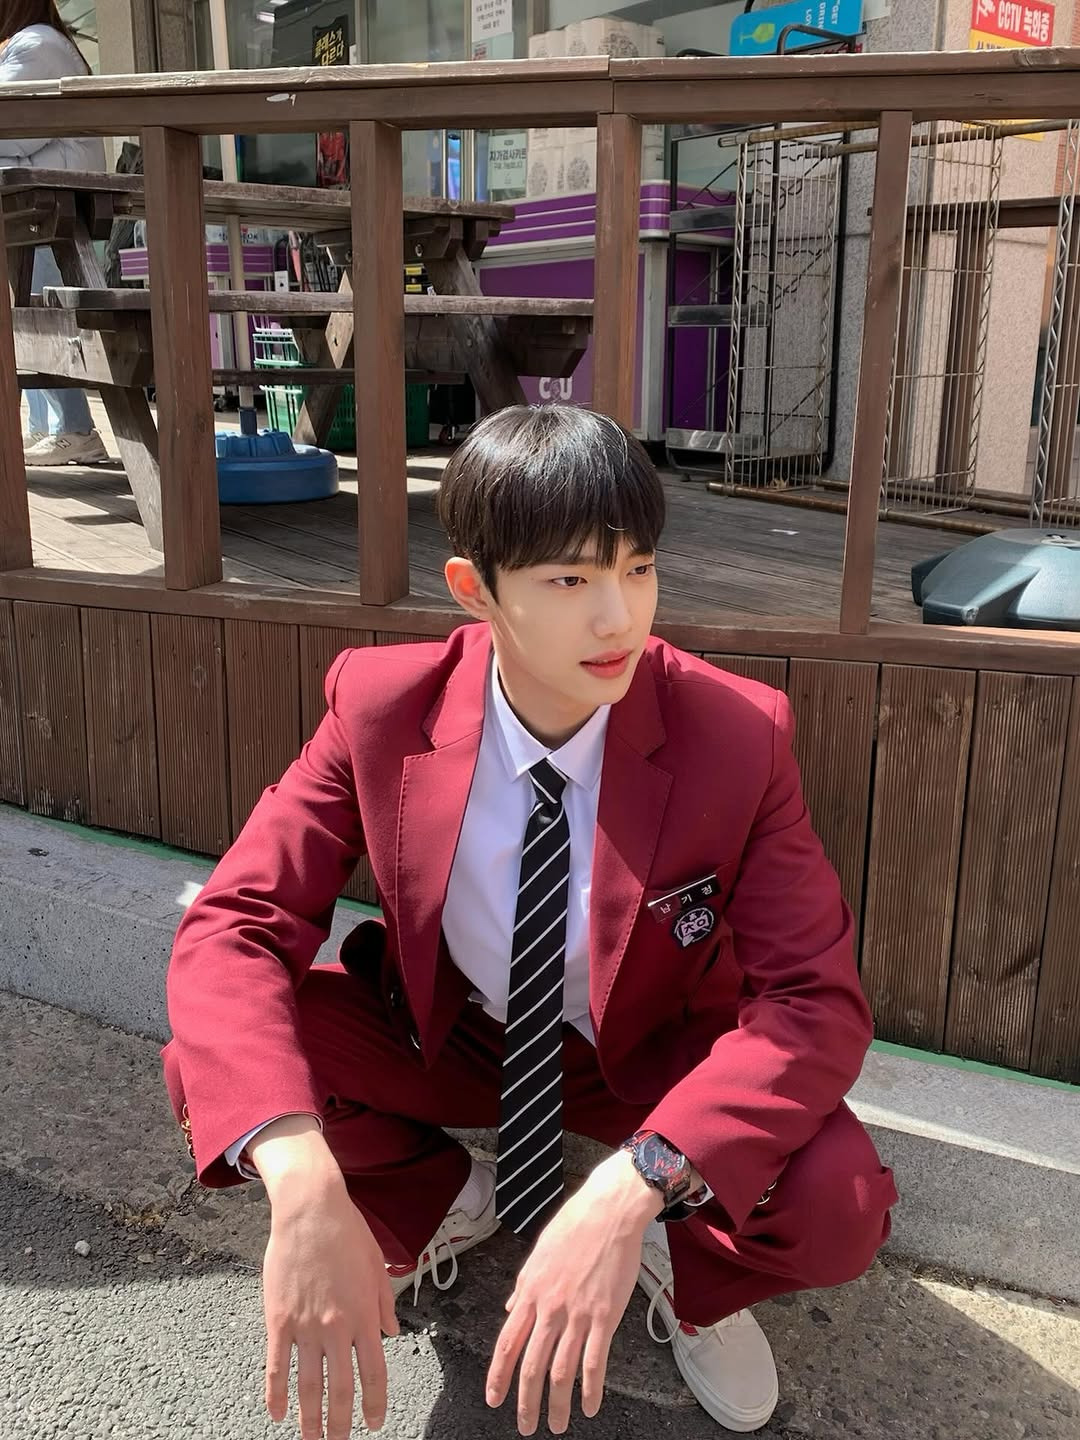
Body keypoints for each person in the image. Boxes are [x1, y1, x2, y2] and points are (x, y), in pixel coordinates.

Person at [163, 405, 898, 1438]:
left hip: (646, 1056)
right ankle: (447, 1199)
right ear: (475, 589)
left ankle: (680, 1266)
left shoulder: (735, 734)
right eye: (568, 581)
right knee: (221, 1071)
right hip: (462, 1037)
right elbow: (238, 923)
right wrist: (301, 1176)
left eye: (638, 569)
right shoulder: (381, 707)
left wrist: (633, 1185)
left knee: (837, 1200)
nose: (618, 619)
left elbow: (815, 1004)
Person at [0, 1, 108, 464]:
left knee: (41, 315)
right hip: (42, 204)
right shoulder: (39, 42)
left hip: (48, 208)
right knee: (29, 313)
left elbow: (10, 129)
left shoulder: (36, 44)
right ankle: (50, 426)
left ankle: (74, 428)